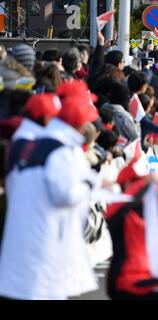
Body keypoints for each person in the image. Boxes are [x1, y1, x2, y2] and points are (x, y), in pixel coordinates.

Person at [0, 81, 99, 299]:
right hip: (45, 241)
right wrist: (89, 183)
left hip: (25, 237)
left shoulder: (21, 143)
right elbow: (66, 193)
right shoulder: (55, 149)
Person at [105, 157, 158, 300]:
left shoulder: (146, 210)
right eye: (138, 181)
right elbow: (117, 210)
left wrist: (156, 196)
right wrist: (143, 185)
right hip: (124, 279)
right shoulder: (118, 208)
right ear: (128, 184)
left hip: (145, 275)